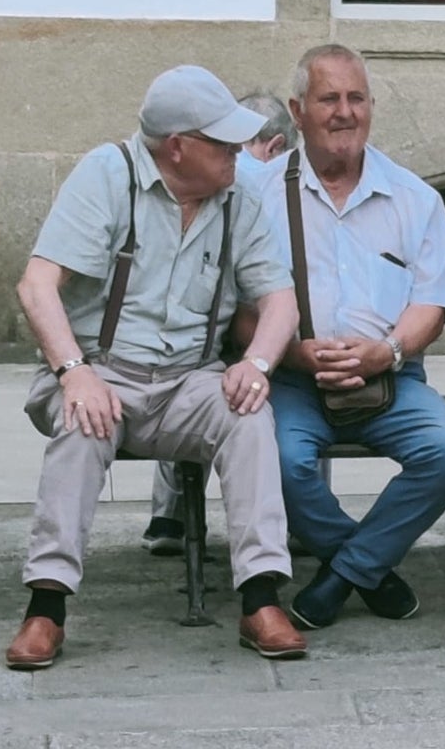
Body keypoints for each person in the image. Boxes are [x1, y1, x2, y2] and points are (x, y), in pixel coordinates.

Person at [6, 65, 307, 670]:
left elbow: (281, 300)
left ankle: (261, 599)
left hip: (189, 380)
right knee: (82, 422)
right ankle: (46, 607)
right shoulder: (106, 176)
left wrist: (255, 363)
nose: (234, 153)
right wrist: (73, 372)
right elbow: (37, 285)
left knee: (249, 414)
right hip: (102, 367)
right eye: (222, 142)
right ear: (177, 147)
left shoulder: (237, 197)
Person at [248, 44, 445, 631]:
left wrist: (388, 351)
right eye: (329, 99)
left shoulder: (414, 198)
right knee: (277, 457)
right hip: (295, 379)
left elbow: (432, 304)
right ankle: (367, 563)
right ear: (298, 111)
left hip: (391, 375)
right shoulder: (257, 197)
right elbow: (239, 311)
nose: (345, 112)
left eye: (357, 98)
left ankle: (344, 574)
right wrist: (292, 351)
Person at [142, 90, 298, 556]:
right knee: (262, 393)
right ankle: (293, 527)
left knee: (190, 384)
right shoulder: (267, 181)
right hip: (247, 324)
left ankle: (167, 518)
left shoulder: (203, 171)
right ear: (274, 146)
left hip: (188, 336)